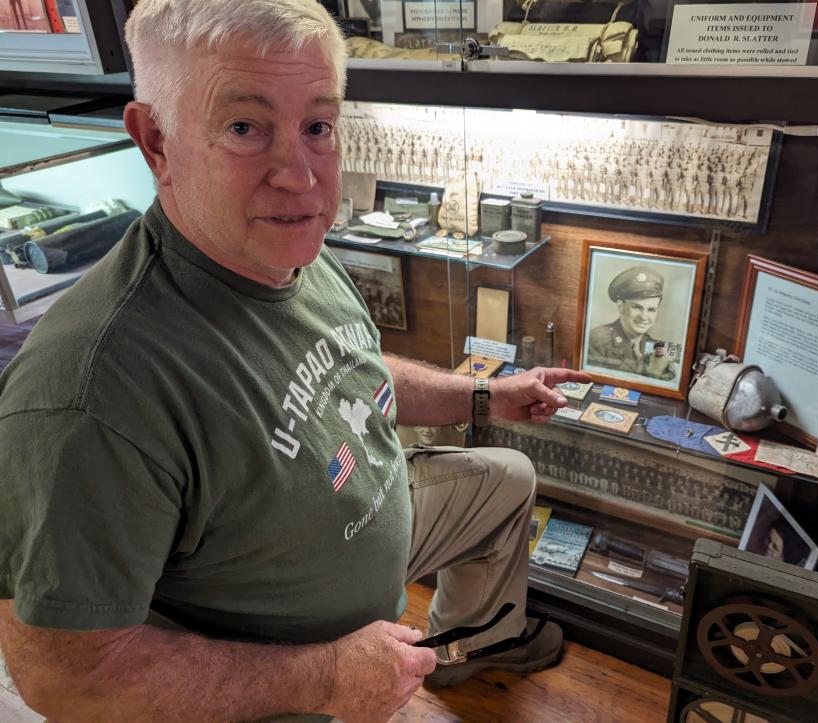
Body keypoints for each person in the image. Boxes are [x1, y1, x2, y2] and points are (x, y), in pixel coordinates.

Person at [0, 2, 591, 721]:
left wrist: (481, 396)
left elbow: (352, 368)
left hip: (369, 532)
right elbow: (70, 678)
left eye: (317, 127)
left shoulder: (283, 253)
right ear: (157, 141)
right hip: (287, 673)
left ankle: (458, 653)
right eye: (246, 127)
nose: (300, 176)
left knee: (506, 479)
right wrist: (327, 678)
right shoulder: (91, 393)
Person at [587, 265, 669, 376]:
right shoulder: (597, 341)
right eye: (636, 307)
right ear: (620, 306)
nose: (644, 317)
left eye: (651, 309)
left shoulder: (650, 343)